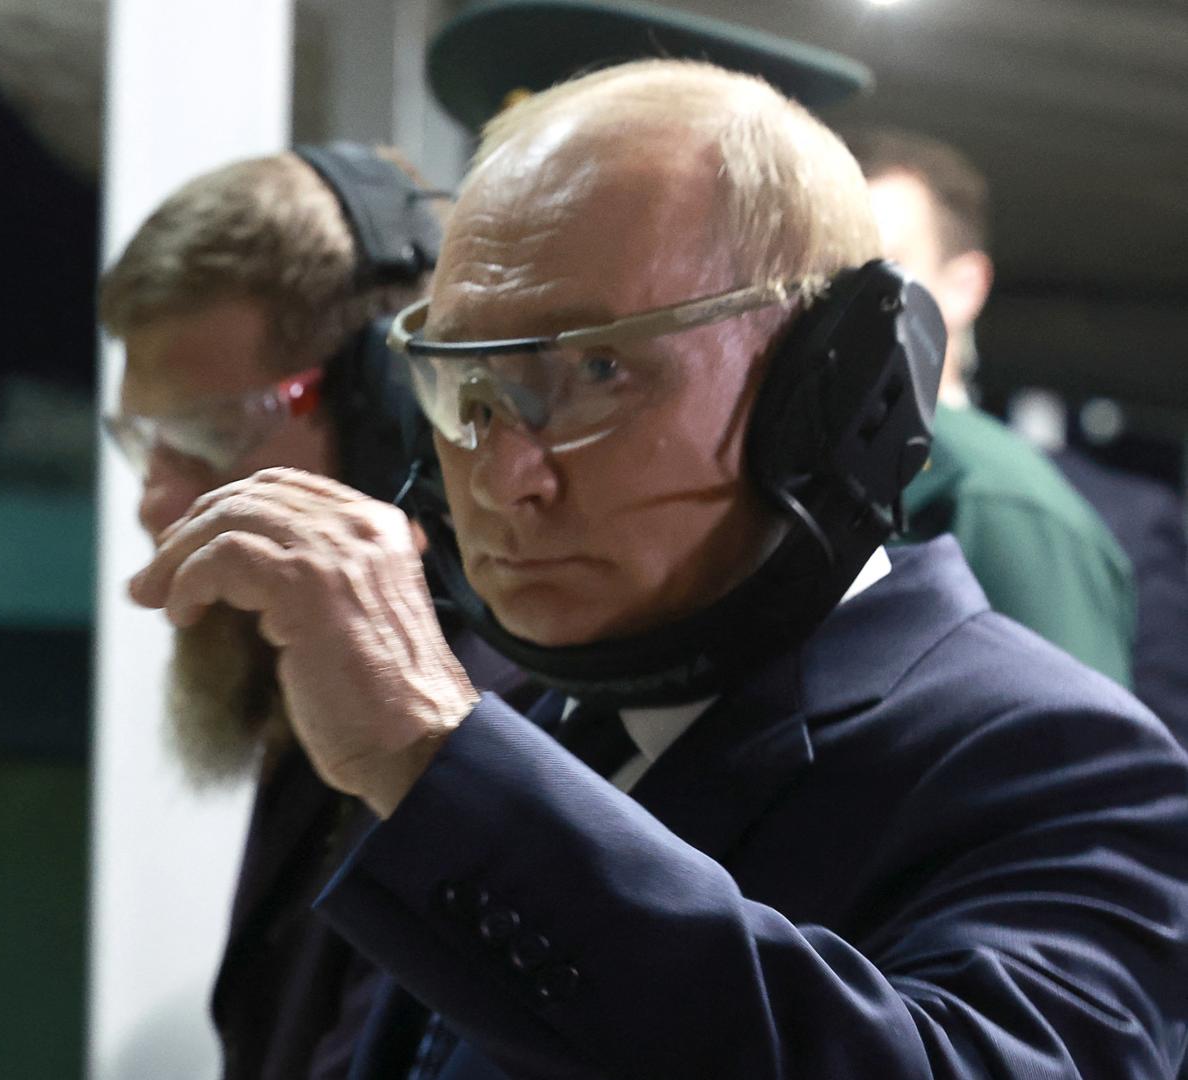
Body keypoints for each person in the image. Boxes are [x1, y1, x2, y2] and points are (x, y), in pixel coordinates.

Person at [130, 60, 1188, 1078]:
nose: (503, 476)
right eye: (466, 388)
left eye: (596, 369)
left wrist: (430, 754)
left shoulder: (1066, 765)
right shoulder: (541, 728)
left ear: (830, 386)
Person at [98, 144, 529, 1079]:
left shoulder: (497, 735)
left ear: (389, 407)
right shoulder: (310, 683)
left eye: (208, 434)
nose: (154, 502)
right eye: (142, 440)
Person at [851, 126, 1188, 743]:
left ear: (964, 286)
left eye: (882, 267)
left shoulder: (995, 496)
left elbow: (1079, 770)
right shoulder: (805, 466)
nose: (842, 299)